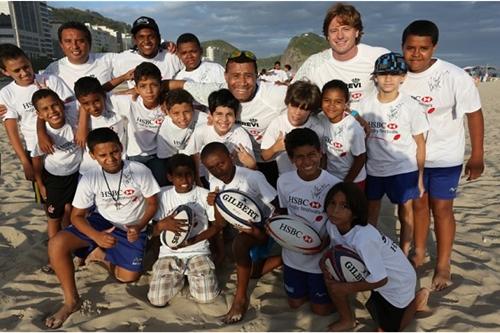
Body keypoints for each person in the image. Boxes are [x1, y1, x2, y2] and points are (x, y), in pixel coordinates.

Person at [44, 127, 159, 329]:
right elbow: (76, 216)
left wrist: (140, 225)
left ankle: (99, 256)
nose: (110, 158)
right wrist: (96, 236)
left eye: (114, 152)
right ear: (93, 156)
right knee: (56, 243)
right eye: (103, 155)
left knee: (128, 277)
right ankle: (72, 301)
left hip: (132, 225)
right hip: (101, 221)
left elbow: (152, 203)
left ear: (121, 148)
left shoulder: (140, 171)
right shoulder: (90, 177)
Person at [399, 20, 484, 290]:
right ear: (402, 47)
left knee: (443, 208)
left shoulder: (454, 76)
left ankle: (443, 263)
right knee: (419, 205)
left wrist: (477, 155)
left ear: (433, 47)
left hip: (446, 156)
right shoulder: (397, 75)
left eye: (423, 48)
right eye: (410, 47)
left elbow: (474, 114)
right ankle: (420, 251)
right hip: (412, 158)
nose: (416, 54)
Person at [162, 49, 287, 187]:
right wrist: (159, 99)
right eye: (235, 75)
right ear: (225, 76)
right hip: (229, 167)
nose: (242, 82)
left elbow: (307, 98)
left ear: (257, 76)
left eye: (248, 75)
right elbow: (177, 84)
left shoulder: (276, 95)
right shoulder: (216, 93)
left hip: (267, 161)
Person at [320, 182, 430, 331]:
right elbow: (335, 250)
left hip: (396, 283)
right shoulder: (332, 224)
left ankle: (418, 299)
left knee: (387, 330)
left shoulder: (363, 238)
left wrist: (347, 287)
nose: (335, 210)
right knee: (330, 276)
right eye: (332, 203)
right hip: (373, 273)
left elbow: (381, 279)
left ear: (356, 212)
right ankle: (347, 319)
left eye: (344, 206)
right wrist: (324, 263)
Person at [200, 142, 281, 324]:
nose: (218, 170)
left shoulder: (253, 177)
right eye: (211, 168)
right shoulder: (214, 181)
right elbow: (220, 224)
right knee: (250, 270)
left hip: (267, 226)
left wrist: (265, 231)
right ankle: (283, 259)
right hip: (245, 229)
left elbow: (278, 208)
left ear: (231, 157)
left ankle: (240, 298)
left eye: (221, 163)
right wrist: (216, 204)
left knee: (239, 245)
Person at [357, 52, 428, 256]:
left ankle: (404, 251)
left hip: (403, 168)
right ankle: (368, 248)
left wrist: (420, 177)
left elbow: (420, 143)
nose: (388, 79)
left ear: (403, 77)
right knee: (372, 210)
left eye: (394, 74)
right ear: (375, 77)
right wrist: (359, 120)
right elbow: (353, 118)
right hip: (374, 168)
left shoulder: (411, 106)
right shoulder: (365, 104)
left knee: (405, 211)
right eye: (383, 74)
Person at [276, 128, 341, 316]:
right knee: (295, 304)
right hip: (292, 257)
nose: (307, 161)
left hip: (320, 258)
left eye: (312, 155)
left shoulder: (334, 184)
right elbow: (284, 212)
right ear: (291, 159)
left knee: (320, 310)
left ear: (320, 153)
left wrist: (324, 244)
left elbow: (337, 224)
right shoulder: (284, 181)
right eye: (300, 157)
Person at [147, 154, 222, 306]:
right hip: (170, 252)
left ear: (194, 175)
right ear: (170, 177)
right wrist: (162, 226)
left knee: (207, 298)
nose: (184, 180)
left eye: (188, 175)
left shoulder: (204, 194)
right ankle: (179, 279)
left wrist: (193, 241)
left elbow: (217, 226)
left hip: (198, 250)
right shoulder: (162, 195)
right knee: (157, 299)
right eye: (178, 176)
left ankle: (193, 277)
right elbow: (151, 232)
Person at [0, 44, 73, 194]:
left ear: (29, 61)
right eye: (17, 71)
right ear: (5, 72)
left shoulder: (51, 80)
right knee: (47, 197)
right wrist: (25, 162)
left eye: (26, 66)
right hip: (36, 152)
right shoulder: (7, 94)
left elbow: (72, 109)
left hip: (65, 144)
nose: (24, 73)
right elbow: (12, 131)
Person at [292, 3, 389, 109]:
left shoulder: (379, 57)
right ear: (327, 36)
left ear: (357, 32)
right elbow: (292, 96)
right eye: (334, 31)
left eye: (346, 29)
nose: (340, 36)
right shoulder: (314, 63)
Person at [31, 89, 82, 272]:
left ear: (62, 103)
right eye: (45, 109)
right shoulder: (42, 135)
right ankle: (54, 257)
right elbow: (36, 160)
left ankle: (72, 250)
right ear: (39, 115)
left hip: (77, 174)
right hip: (54, 179)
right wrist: (40, 184)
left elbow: (88, 95)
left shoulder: (72, 114)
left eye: (54, 105)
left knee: (71, 212)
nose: (52, 111)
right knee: (54, 217)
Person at [111, 62, 167, 186]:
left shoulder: (167, 104)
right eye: (143, 86)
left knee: (161, 188)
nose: (149, 91)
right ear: (136, 88)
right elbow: (94, 94)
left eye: (154, 85)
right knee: (137, 191)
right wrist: (124, 79)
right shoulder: (129, 101)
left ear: (161, 85)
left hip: (158, 156)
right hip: (135, 155)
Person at [184, 88, 257, 180]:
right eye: (219, 114)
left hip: (237, 180)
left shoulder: (240, 134)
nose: (224, 119)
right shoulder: (201, 130)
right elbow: (191, 153)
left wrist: (252, 165)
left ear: (235, 115)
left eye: (229, 114)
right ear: (211, 115)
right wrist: (197, 179)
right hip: (211, 181)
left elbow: (253, 168)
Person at [44, 21, 131, 93]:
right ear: (61, 45)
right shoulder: (52, 70)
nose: (74, 46)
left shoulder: (107, 60)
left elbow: (138, 63)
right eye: (68, 41)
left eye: (80, 41)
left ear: (89, 43)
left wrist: (135, 90)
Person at [260, 80, 324, 175]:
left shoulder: (317, 127)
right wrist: (275, 148)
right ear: (287, 103)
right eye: (294, 106)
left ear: (311, 110)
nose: (297, 112)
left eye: (303, 109)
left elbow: (322, 157)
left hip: (311, 178)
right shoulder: (277, 124)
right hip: (285, 178)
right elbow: (264, 156)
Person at [73, 76, 127, 174]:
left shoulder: (115, 109)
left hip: (119, 168)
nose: (93, 108)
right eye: (86, 104)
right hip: (90, 171)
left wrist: (126, 79)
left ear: (104, 96)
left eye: (96, 101)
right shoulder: (76, 115)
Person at [112, 16, 182, 88]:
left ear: (158, 38)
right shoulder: (123, 59)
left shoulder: (172, 56)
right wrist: (123, 78)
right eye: (141, 37)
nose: (146, 41)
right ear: (134, 40)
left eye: (151, 36)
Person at [320, 79, 367, 189]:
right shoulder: (321, 119)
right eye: (327, 100)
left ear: (346, 103)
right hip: (331, 178)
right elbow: (325, 154)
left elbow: (360, 159)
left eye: (338, 102)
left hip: (353, 181)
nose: (331, 105)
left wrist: (346, 184)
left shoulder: (354, 128)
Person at [156, 88, 208, 161]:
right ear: (168, 113)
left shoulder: (205, 120)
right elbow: (167, 157)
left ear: (193, 109)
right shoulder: (165, 128)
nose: (182, 118)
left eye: (186, 112)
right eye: (176, 113)